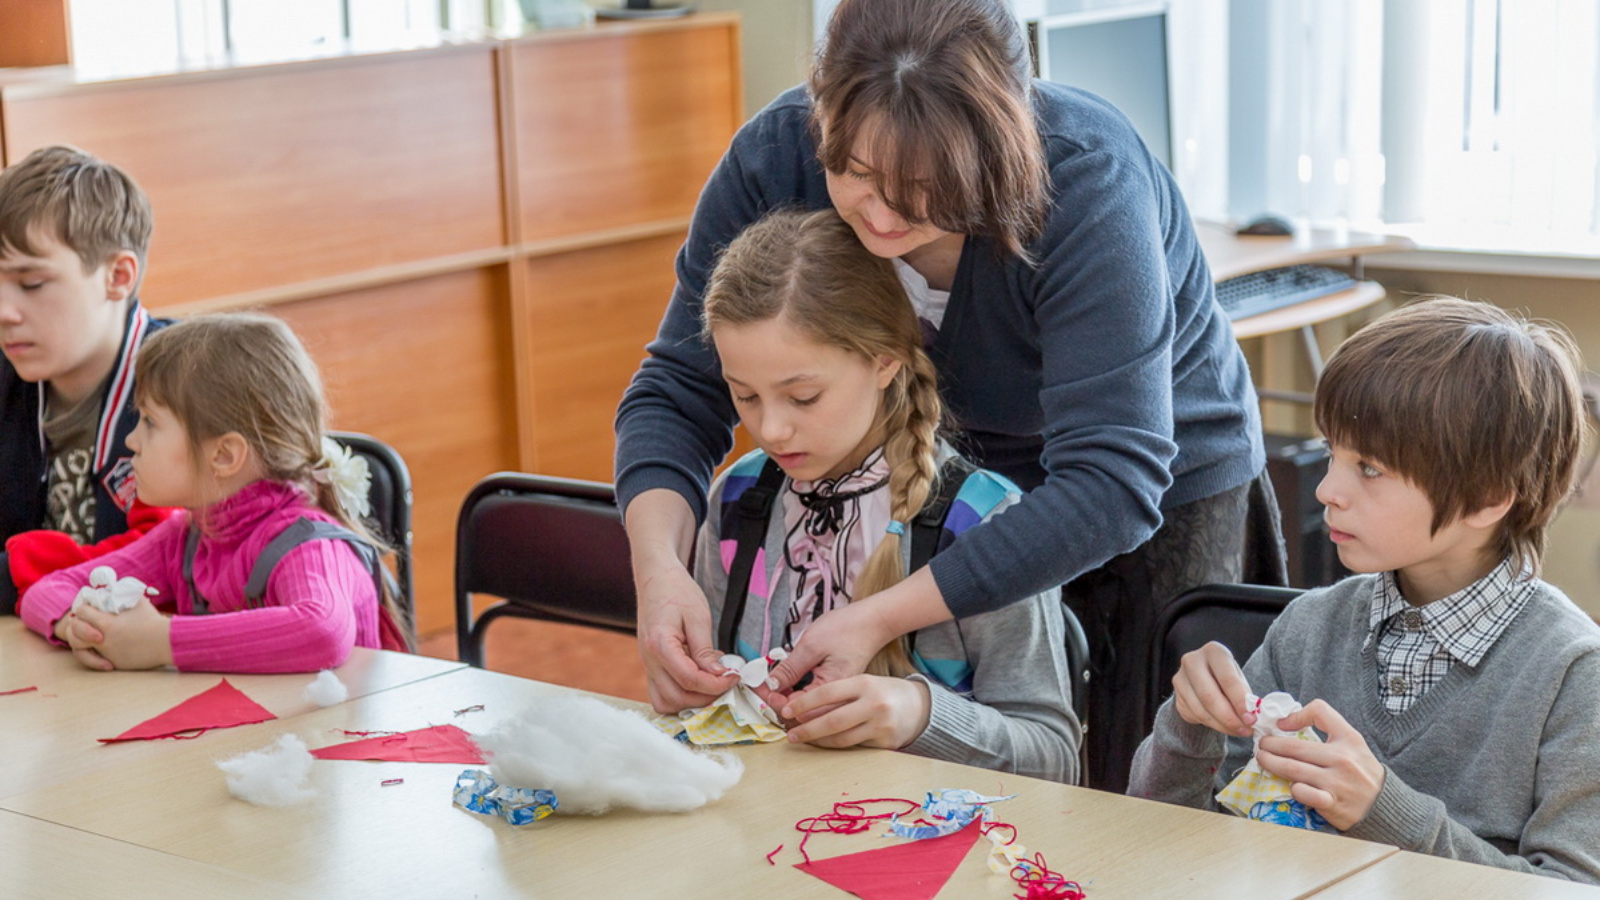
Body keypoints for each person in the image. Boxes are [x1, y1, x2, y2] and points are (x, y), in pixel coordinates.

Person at [613, 0, 1281, 789]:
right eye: (854, 172)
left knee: (1132, 780)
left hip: (1147, 487)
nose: (884, 212)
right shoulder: (773, 158)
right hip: (926, 469)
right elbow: (677, 388)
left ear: (1000, 146)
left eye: (925, 186)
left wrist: (880, 615)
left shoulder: (1085, 178)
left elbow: (1112, 483)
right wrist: (660, 573)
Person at [1128, 297, 1600, 882]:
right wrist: (1186, 727)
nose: (1327, 489)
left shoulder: (1575, 673)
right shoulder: (1309, 628)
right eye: (1332, 453)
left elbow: (1574, 890)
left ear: (1487, 499)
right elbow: (1164, 842)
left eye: (1370, 468)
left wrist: (1385, 812)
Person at [694, 208, 1080, 782]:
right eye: (745, 396)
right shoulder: (740, 497)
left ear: (884, 361)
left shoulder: (981, 523)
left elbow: (1054, 757)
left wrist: (921, 714)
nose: (770, 429)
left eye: (802, 397)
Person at [19, 312, 411, 672]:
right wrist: (77, 626)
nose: (132, 441)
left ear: (224, 455)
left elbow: (323, 631)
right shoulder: (187, 535)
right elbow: (49, 588)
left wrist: (160, 642)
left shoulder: (308, 545)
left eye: (150, 423)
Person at [0, 145, 176, 616]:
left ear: (117, 276)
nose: (4, 312)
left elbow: (165, 562)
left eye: (32, 284)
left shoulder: (191, 384)